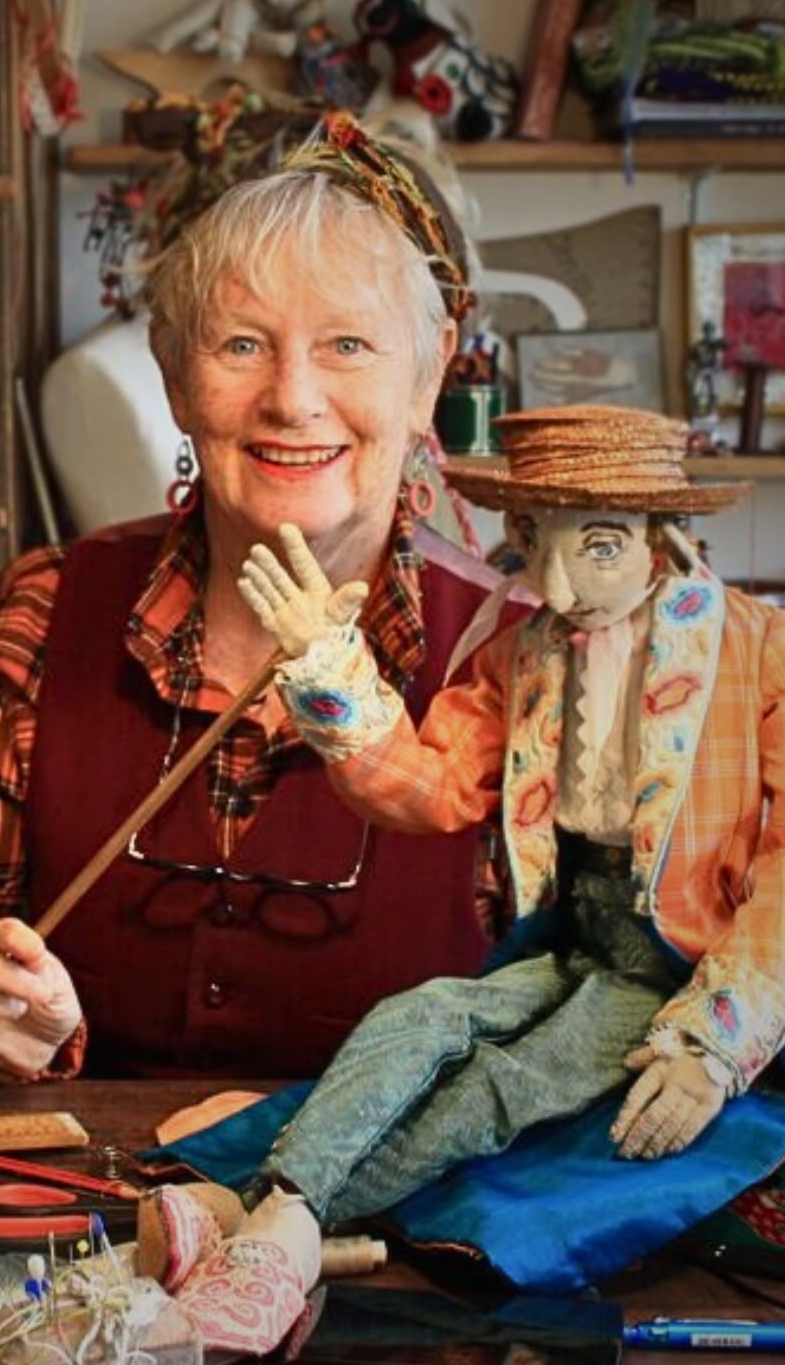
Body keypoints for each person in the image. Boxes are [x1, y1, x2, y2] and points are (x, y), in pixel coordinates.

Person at [0, 113, 525, 1081]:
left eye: (347, 343)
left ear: (428, 372)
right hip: (85, 1205)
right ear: (175, 373)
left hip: (403, 1218)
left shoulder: (522, 662)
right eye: (239, 344)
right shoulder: (40, 618)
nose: (291, 399)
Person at [236, 403, 782, 1224]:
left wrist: (717, 1041)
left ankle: (297, 1218)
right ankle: (279, 1195)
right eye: (535, 543)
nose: (560, 587)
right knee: (418, 1017)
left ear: (661, 532)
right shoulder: (525, 655)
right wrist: (330, 666)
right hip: (573, 936)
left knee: (508, 1080)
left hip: (687, 954)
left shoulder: (759, 649)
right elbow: (434, 786)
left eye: (599, 546)